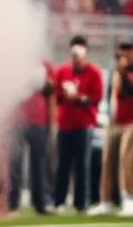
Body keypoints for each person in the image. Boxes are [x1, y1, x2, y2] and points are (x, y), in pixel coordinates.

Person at [51, 35, 104, 215]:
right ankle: (59, 201)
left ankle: (81, 204)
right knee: (62, 165)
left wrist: (79, 98)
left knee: (82, 165)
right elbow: (56, 96)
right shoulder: (62, 72)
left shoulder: (94, 72)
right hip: (65, 124)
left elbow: (96, 98)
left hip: (84, 124)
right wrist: (64, 95)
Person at [92, 42, 133, 216]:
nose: (124, 54)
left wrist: (124, 73)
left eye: (128, 50)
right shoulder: (114, 71)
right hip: (114, 122)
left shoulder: (128, 72)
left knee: (126, 159)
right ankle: (105, 200)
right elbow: (112, 95)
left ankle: (128, 198)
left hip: (130, 123)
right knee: (107, 160)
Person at [10, 62, 53, 216]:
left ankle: (41, 203)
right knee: (15, 164)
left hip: (38, 121)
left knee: (39, 164)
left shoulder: (45, 65)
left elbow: (51, 93)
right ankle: (12, 204)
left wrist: (50, 123)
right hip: (17, 120)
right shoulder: (13, 62)